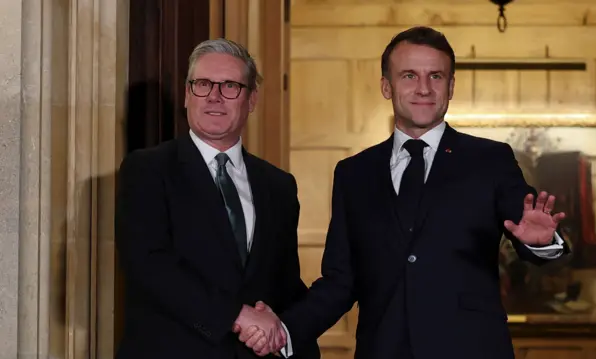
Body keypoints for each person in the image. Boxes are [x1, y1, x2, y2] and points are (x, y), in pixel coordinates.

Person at [237, 26, 571, 358]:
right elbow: (341, 281)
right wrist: (285, 329)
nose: (424, 88)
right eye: (409, 75)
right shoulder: (354, 173)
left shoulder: (490, 160)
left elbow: (529, 227)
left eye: (436, 76)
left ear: (451, 86)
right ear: (387, 85)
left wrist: (539, 243)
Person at [114, 38, 320, 359]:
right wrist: (237, 315)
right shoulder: (147, 170)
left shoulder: (278, 185)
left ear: (251, 100)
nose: (214, 96)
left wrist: (287, 334)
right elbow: (150, 264)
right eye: (203, 84)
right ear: (186, 95)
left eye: (230, 86)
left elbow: (285, 284)